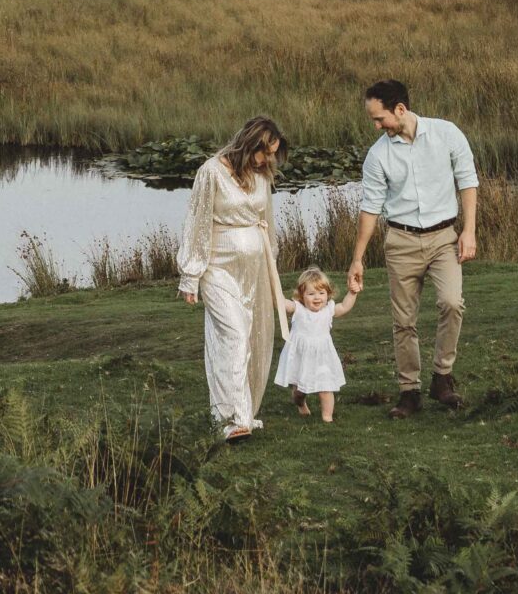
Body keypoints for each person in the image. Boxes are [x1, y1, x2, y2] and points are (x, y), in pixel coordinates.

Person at [344, 78, 479, 417]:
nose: (377, 126)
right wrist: (357, 258)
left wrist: (469, 231)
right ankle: (409, 391)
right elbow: (370, 209)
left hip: (444, 237)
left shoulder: (447, 134)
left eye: (380, 118)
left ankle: (442, 377)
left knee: (452, 303)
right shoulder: (378, 156)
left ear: (400, 109)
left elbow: (468, 180)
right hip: (401, 241)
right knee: (404, 320)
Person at [178, 115, 290, 440]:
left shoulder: (261, 176)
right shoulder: (211, 172)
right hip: (218, 267)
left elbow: (267, 219)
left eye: (272, 153)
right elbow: (196, 223)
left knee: (252, 335)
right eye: (265, 152)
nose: (269, 159)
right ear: (250, 143)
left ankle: (239, 413)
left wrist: (272, 267)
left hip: (252, 269)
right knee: (234, 335)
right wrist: (190, 275)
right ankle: (234, 419)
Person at [274, 265, 357, 421]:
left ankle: (327, 417)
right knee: (299, 391)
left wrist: (352, 293)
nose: (317, 297)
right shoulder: (298, 309)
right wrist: (274, 289)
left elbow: (345, 306)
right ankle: (300, 403)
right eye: (311, 294)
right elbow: (282, 304)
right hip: (301, 356)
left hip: (322, 356)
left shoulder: (328, 310)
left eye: (321, 293)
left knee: (326, 387)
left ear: (328, 294)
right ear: (301, 296)